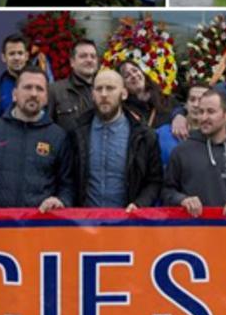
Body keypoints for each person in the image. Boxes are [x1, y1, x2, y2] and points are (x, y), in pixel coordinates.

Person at [0, 67, 76, 213]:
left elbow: (68, 185)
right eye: (27, 87)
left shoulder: (58, 136)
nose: (33, 93)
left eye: (39, 89)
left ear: (46, 98)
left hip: (39, 227)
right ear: (14, 94)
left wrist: (61, 201)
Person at [70, 69, 164, 210]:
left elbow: (155, 180)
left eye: (110, 88)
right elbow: (68, 179)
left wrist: (139, 204)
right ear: (92, 94)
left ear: (124, 93)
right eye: (99, 89)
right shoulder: (77, 132)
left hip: (126, 223)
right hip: (85, 223)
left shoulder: (144, 136)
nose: (104, 94)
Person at [162, 89, 226, 217]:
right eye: (201, 112)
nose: (204, 117)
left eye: (210, 112)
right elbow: (166, 190)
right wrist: (182, 200)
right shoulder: (181, 151)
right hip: (191, 232)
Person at [49, 39, 99, 128]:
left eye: (93, 56)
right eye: (83, 56)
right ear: (72, 62)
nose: (89, 60)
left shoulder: (103, 90)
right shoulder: (55, 91)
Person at [159, 84, 210, 165]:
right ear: (186, 104)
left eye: (201, 100)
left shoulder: (217, 137)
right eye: (192, 99)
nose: (196, 105)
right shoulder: (163, 134)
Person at [0, 34, 30, 120]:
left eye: (20, 53)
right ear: (3, 57)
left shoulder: (40, 86)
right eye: (12, 54)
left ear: (26, 56)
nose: (16, 58)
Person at [118, 60, 172, 128]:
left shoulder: (163, 98)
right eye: (127, 75)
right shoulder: (124, 113)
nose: (134, 76)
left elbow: (178, 108)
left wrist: (178, 115)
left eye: (135, 70)